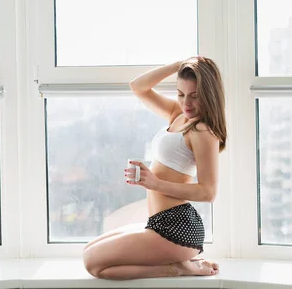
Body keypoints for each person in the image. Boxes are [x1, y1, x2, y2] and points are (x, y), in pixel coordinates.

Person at [82, 56, 227, 280]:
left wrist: (155, 183)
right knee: (89, 250)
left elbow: (208, 192)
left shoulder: (203, 131)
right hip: (158, 222)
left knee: (93, 264)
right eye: (181, 94)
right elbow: (138, 87)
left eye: (194, 96)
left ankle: (178, 268)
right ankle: (181, 263)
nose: (186, 103)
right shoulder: (178, 115)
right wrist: (177, 66)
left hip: (177, 227)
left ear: (209, 95)